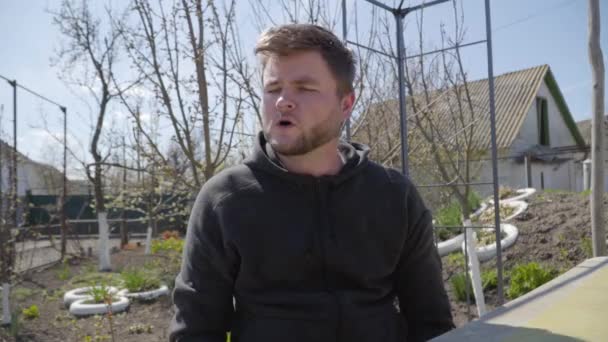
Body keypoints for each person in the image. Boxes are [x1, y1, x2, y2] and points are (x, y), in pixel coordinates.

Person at [169, 23, 454, 342]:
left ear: (345, 104)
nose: (282, 102)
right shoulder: (225, 200)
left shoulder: (394, 195)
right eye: (273, 88)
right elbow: (195, 331)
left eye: (304, 88)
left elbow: (431, 321)